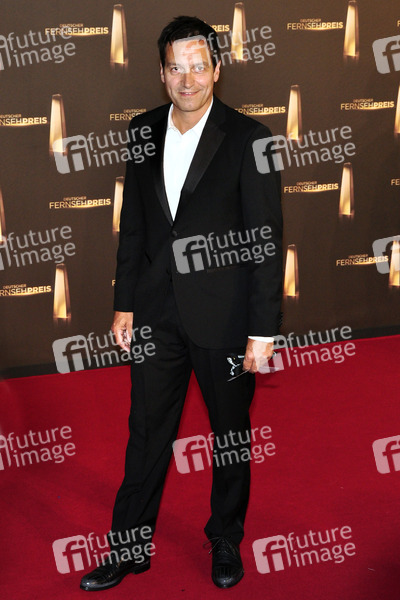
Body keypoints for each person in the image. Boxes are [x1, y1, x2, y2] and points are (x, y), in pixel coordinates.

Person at [80, 15, 282, 592]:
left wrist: (262, 330)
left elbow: (266, 240)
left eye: (198, 67)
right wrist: (125, 304)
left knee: (229, 436)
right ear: (162, 72)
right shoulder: (141, 130)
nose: (187, 79)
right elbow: (134, 228)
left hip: (225, 317)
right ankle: (129, 547)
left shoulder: (250, 138)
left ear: (217, 70)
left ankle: (226, 537)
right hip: (155, 314)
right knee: (145, 432)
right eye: (176, 68)